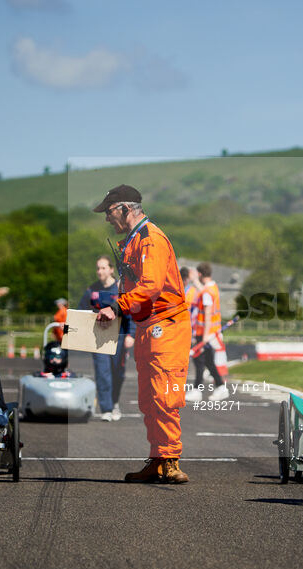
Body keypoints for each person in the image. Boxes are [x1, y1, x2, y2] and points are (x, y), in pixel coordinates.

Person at [94, 184, 192, 483]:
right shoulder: (134, 241)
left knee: (164, 394)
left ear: (125, 208)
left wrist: (116, 307)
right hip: (147, 325)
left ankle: (171, 459)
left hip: (167, 324)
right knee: (148, 398)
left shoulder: (151, 240)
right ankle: (158, 457)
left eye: (109, 212)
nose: (107, 219)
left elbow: (150, 286)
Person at [78, 256, 136, 421]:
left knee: (118, 373)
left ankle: (115, 402)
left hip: (120, 336)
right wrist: (69, 327)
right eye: (98, 268)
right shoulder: (92, 290)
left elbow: (130, 312)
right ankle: (106, 409)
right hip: (99, 338)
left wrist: (131, 334)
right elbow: (81, 312)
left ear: (111, 269)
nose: (100, 271)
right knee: (103, 372)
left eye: (103, 268)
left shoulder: (121, 288)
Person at [186, 262, 229, 401]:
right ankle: (220, 387)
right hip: (209, 332)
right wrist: (194, 281)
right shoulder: (212, 287)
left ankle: (198, 390)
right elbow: (202, 290)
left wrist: (204, 337)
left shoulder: (207, 292)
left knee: (200, 361)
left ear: (200, 274)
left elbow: (208, 313)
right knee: (208, 361)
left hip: (206, 333)